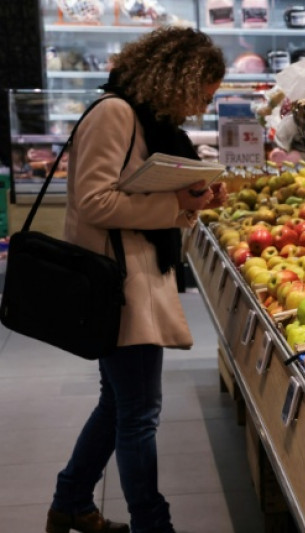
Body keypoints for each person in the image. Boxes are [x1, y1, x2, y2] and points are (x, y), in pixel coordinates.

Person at [46, 27, 227, 533]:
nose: (200, 108)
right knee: (140, 413)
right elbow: (93, 201)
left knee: (120, 403)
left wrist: (193, 201)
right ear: (178, 80)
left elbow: (137, 196)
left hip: (133, 278)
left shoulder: (147, 120)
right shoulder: (116, 114)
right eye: (201, 95)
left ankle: (71, 502)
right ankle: (152, 524)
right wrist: (175, 203)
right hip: (120, 286)